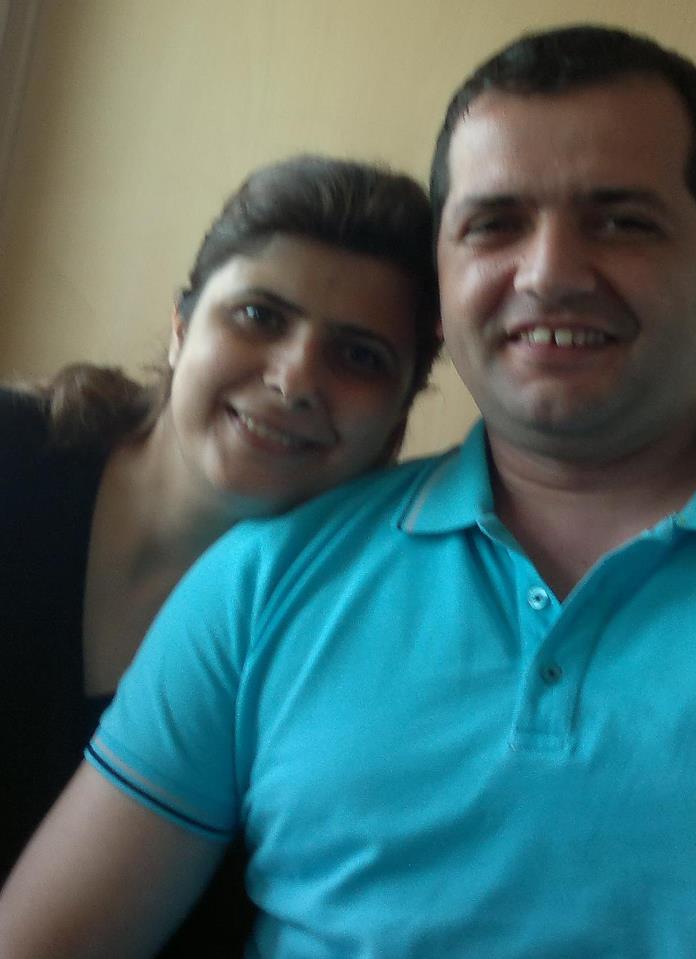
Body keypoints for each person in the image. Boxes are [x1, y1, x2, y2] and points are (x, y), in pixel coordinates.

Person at [2, 24, 696, 959]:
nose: (549, 273)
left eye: (622, 221)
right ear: (447, 277)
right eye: (494, 224)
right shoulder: (263, 573)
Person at [0, 154, 440, 954]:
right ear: (181, 326)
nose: (294, 379)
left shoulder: (356, 633)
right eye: (259, 316)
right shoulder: (13, 456)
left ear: (398, 423)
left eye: (359, 356)